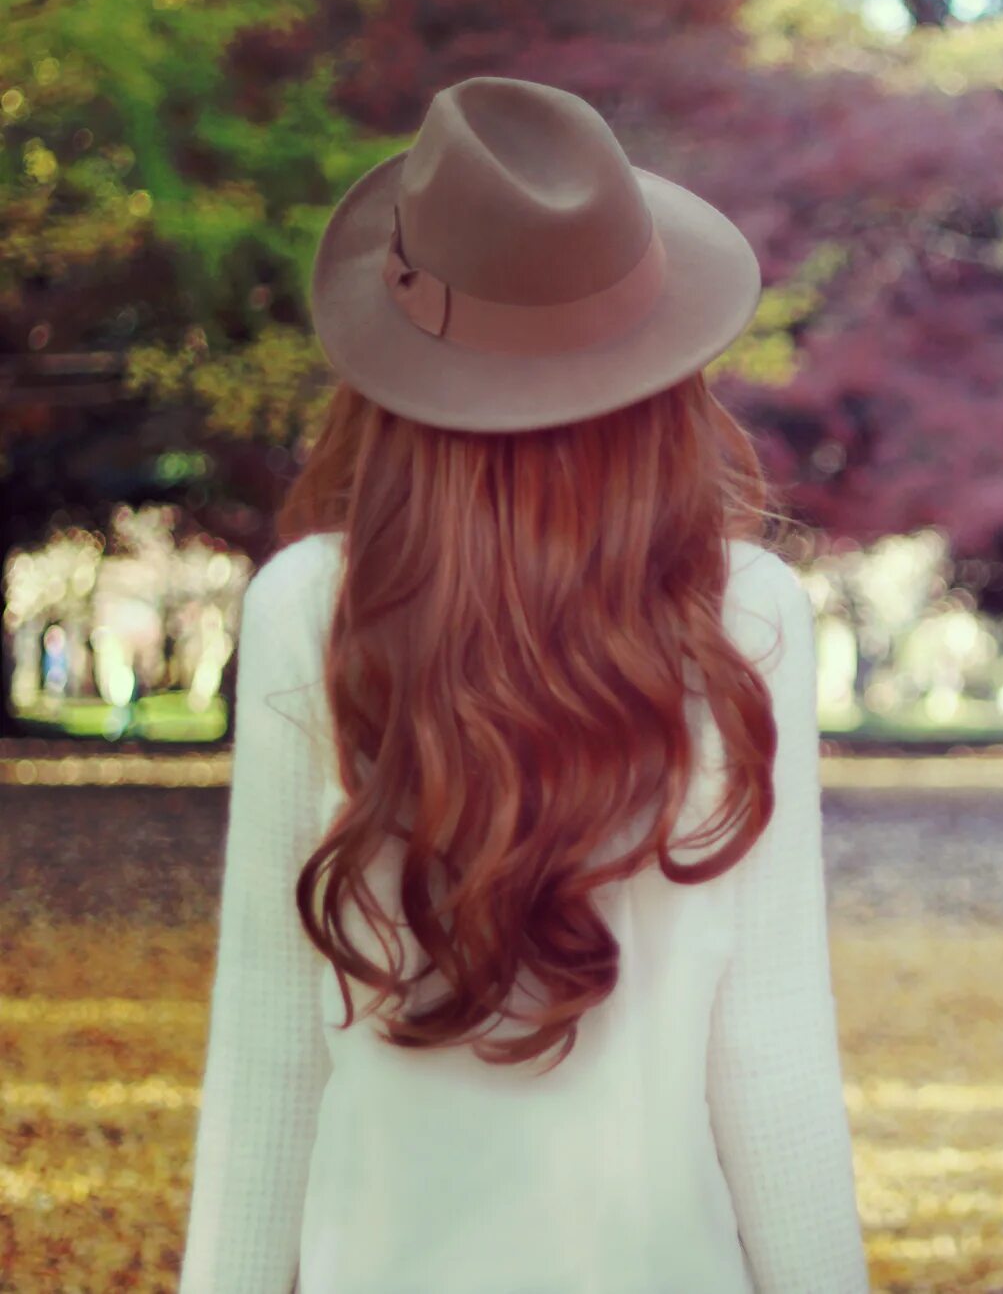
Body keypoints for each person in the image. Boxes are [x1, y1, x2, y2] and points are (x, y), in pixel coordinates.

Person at [178, 76, 868, 1294]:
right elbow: (767, 1051)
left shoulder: (311, 603)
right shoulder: (744, 614)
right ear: (664, 367)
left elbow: (271, 1049)